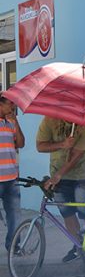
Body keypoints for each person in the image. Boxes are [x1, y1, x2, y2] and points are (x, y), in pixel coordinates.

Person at [36, 117, 85, 262]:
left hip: (81, 174)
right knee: (67, 214)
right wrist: (62, 144)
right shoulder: (49, 120)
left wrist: (59, 175)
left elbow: (77, 155)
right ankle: (78, 247)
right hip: (57, 174)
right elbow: (40, 146)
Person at [0, 95, 23, 253]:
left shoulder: (11, 123)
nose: (13, 107)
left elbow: (20, 143)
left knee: (14, 215)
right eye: (10, 104)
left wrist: (16, 122)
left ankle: (14, 246)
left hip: (11, 179)